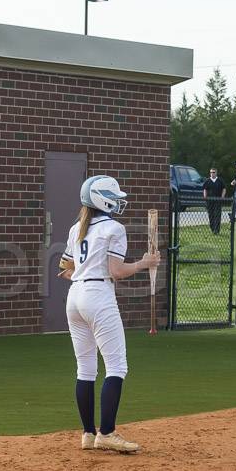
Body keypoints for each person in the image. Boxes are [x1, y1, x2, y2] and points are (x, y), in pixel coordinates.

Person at [57, 176, 161, 454]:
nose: (118, 202)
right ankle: (108, 433)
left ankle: (88, 434)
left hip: (75, 297)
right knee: (116, 367)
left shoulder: (76, 228)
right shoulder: (114, 228)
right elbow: (117, 271)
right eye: (114, 197)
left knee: (86, 369)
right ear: (103, 199)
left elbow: (65, 270)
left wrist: (87, 273)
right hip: (98, 296)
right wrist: (145, 263)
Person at [202, 167, 228, 234]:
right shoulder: (207, 181)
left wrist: (222, 197)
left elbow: (224, 188)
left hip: (218, 200)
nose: (212, 174)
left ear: (216, 173)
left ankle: (217, 230)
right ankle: (212, 229)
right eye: (211, 172)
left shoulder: (220, 180)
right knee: (211, 215)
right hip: (209, 201)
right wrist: (205, 196)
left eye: (213, 172)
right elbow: (205, 189)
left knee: (217, 215)